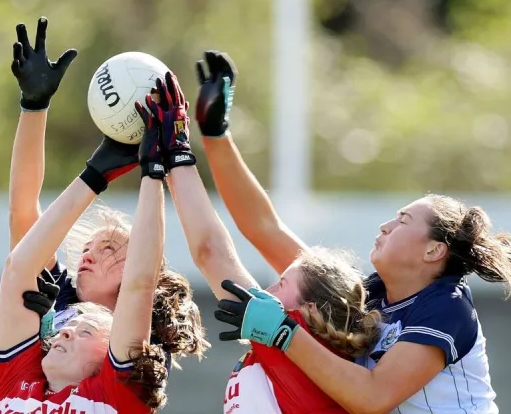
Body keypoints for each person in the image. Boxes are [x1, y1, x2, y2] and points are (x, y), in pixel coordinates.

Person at [200, 52, 511, 413]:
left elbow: (372, 397)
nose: (385, 226)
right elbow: (264, 228)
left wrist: (284, 333)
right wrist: (215, 134)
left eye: (403, 221)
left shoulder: (446, 306)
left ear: (434, 251)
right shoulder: (372, 294)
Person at [0, 17, 207, 413]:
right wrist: (34, 107)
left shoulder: (131, 355)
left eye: (108, 250)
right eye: (91, 246)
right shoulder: (56, 299)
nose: (87, 254)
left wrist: (156, 172)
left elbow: (139, 284)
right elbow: (22, 214)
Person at [160, 53, 382, 413]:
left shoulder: (290, 336)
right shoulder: (301, 341)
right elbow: (253, 231)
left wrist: (176, 152)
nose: (267, 289)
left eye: (282, 283)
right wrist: (199, 140)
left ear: (309, 311)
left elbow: (211, 251)